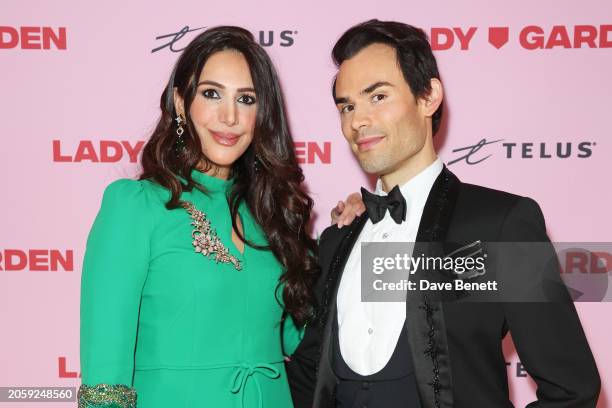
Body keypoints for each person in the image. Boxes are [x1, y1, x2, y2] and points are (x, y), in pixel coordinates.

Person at [286, 19, 600, 408]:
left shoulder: (502, 225)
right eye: (347, 106)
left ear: (429, 96)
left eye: (378, 97)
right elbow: (305, 377)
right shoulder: (337, 239)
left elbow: (572, 389)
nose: (357, 121)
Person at [78, 25, 358, 408]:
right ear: (181, 103)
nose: (229, 116)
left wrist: (350, 240)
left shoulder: (273, 214)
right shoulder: (136, 206)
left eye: (246, 99)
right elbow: (104, 377)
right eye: (212, 94)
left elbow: (304, 337)